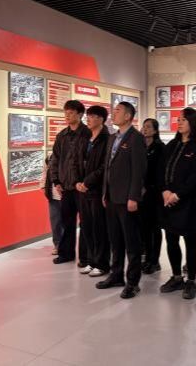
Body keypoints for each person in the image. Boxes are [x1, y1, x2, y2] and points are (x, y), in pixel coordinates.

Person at [158, 108, 196, 300]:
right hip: (168, 200)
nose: (179, 122)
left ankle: (191, 280)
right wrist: (165, 190)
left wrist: (178, 194)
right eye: (178, 120)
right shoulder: (172, 145)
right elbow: (160, 170)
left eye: (183, 120)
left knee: (190, 241)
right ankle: (176, 277)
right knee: (171, 239)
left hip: (190, 202)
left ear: (193, 122)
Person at [97, 101, 146, 299]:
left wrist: (134, 197)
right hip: (111, 197)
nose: (113, 114)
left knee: (131, 242)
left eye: (117, 111)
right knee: (115, 240)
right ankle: (116, 275)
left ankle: (132, 282)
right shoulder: (112, 137)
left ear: (128, 116)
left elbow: (139, 170)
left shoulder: (136, 138)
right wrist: (104, 193)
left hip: (127, 199)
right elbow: (107, 168)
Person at [50, 100, 91, 265]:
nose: (67, 115)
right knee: (67, 221)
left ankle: (85, 257)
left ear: (80, 114)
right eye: (66, 112)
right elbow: (55, 159)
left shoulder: (88, 134)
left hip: (82, 187)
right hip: (66, 186)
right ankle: (66, 253)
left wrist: (87, 182)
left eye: (71, 113)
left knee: (86, 222)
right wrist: (55, 180)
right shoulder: (62, 135)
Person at [75, 106, 111, 277]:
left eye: (92, 116)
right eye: (87, 116)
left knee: (99, 228)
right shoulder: (86, 138)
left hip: (96, 190)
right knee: (86, 226)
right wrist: (77, 182)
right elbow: (77, 161)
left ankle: (102, 263)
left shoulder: (107, 139)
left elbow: (105, 166)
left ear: (101, 119)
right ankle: (91, 260)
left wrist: (87, 182)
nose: (88, 119)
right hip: (83, 190)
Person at [140, 118, 165, 275]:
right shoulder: (140, 146)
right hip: (141, 193)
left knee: (155, 228)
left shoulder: (160, 147)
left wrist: (149, 186)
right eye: (144, 126)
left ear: (155, 130)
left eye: (149, 127)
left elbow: (160, 171)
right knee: (144, 228)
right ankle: (147, 258)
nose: (145, 129)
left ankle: (155, 261)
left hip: (154, 193)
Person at [41, 154, 63, 255]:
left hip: (66, 195)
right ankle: (57, 245)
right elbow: (45, 173)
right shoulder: (49, 157)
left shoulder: (70, 156)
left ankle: (66, 245)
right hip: (53, 197)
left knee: (66, 222)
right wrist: (43, 187)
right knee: (55, 222)